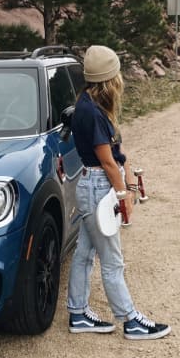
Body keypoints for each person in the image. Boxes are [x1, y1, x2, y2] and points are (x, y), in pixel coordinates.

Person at [66, 45, 171, 340]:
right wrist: (124, 197)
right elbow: (107, 161)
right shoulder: (92, 112)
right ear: (109, 78)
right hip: (99, 186)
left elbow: (115, 154)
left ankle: (78, 313)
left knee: (85, 253)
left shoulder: (88, 104)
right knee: (112, 260)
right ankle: (130, 320)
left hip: (92, 184)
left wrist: (125, 172)